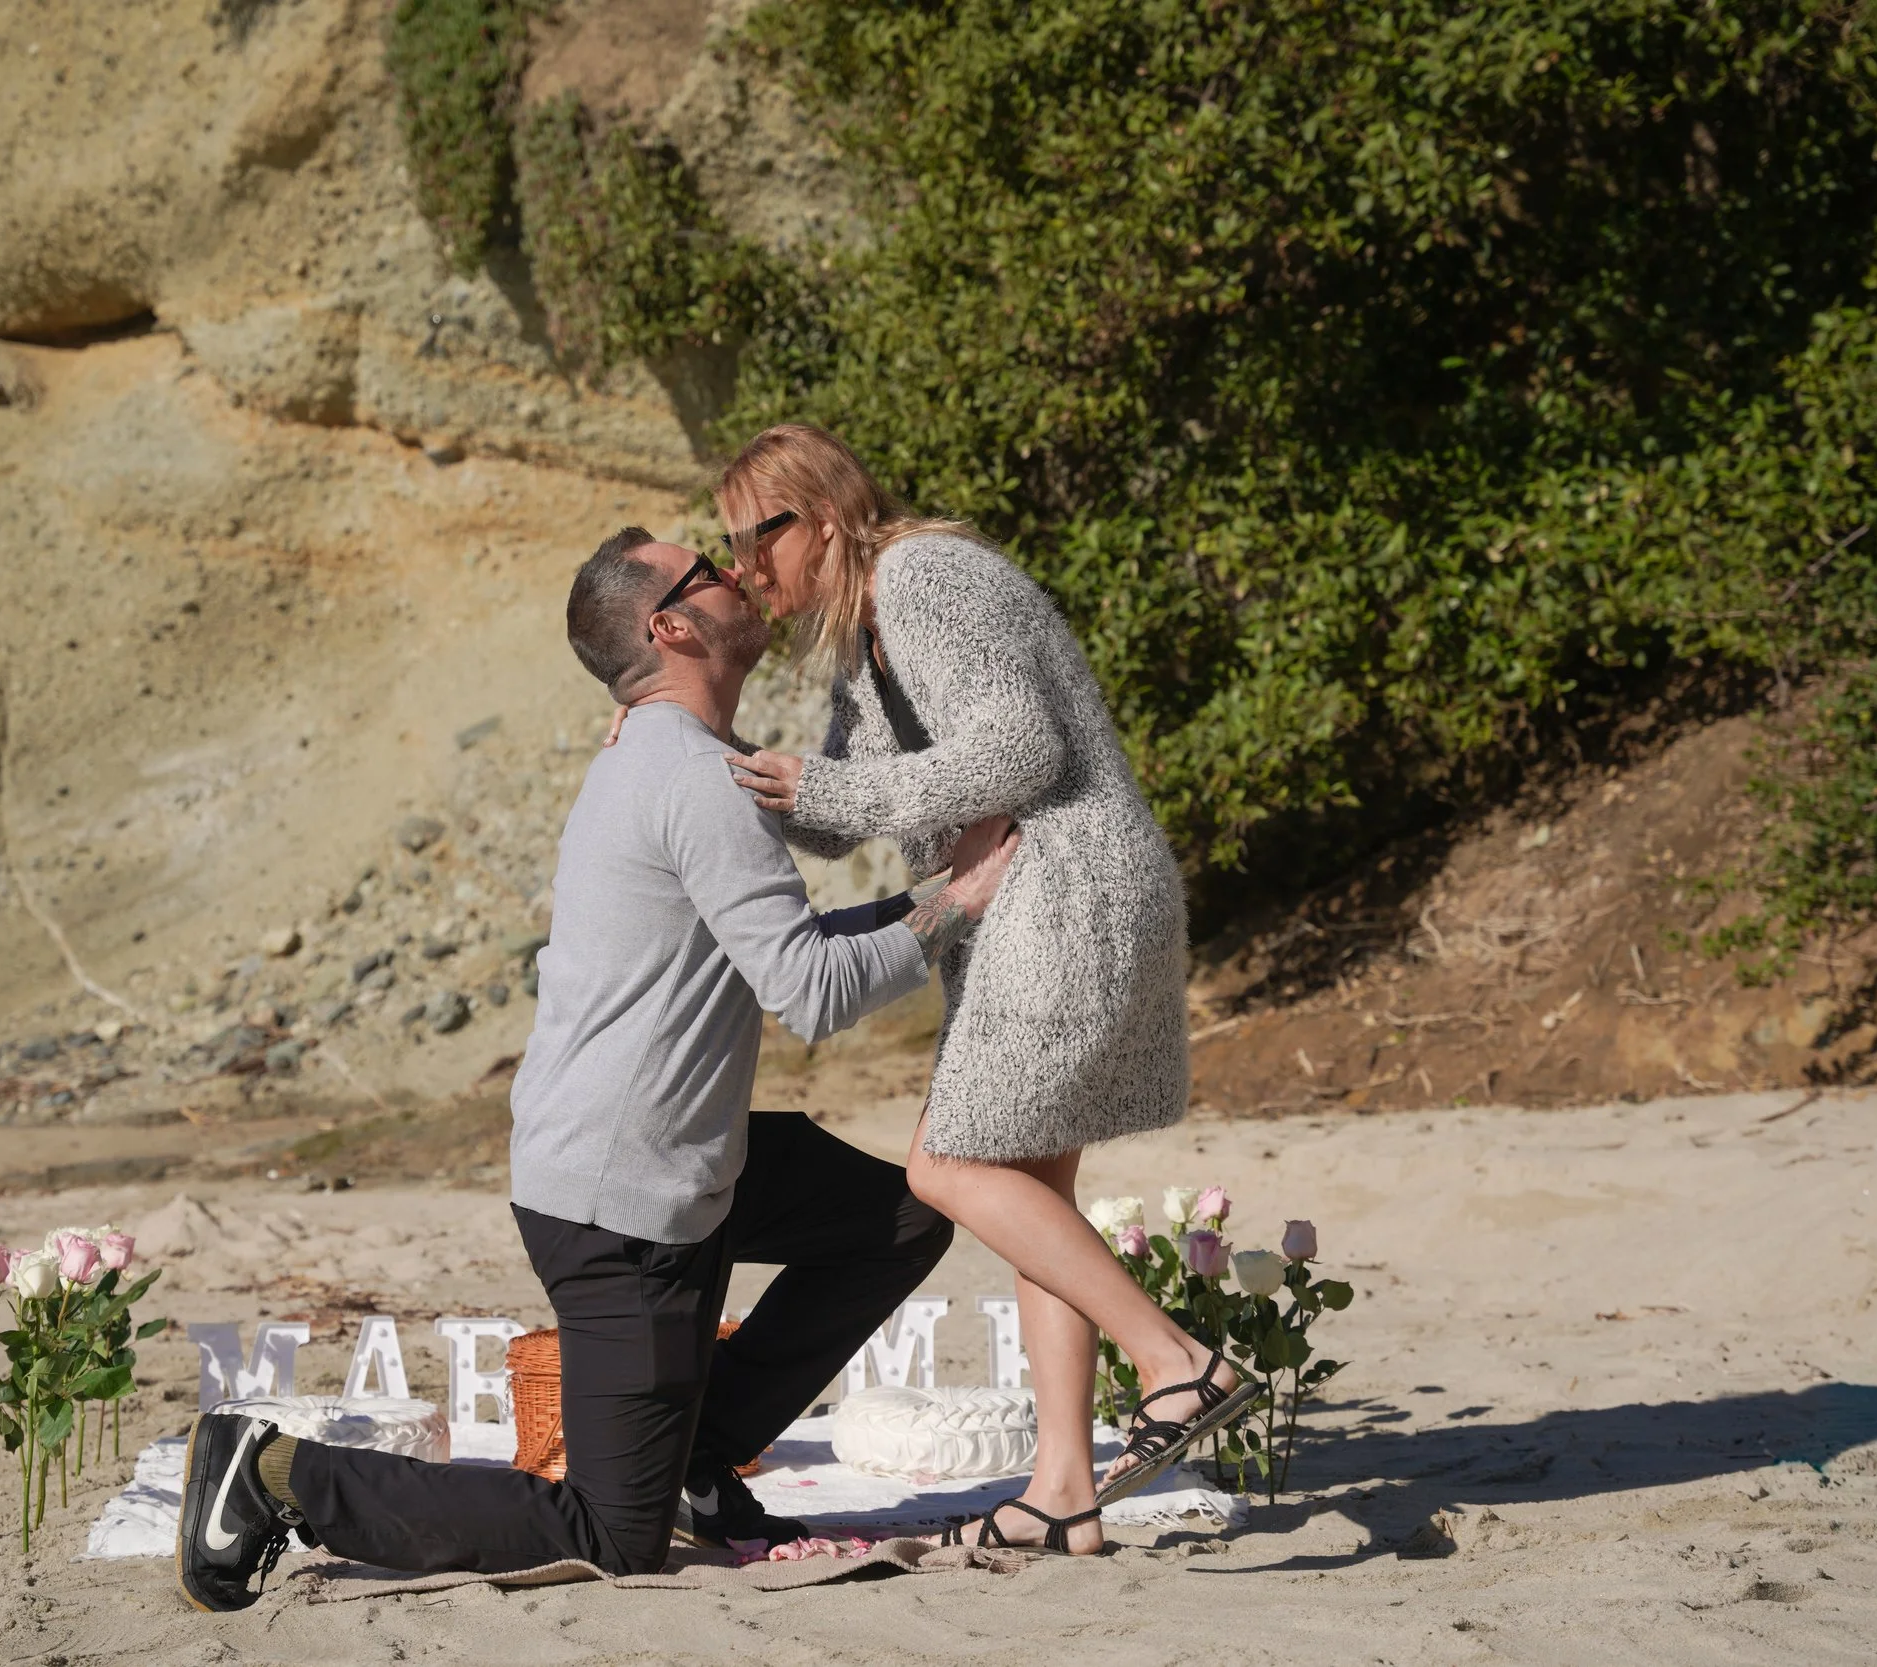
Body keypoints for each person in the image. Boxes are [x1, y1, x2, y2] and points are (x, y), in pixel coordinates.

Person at [176, 525, 1022, 1610]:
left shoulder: (670, 760)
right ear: (671, 624)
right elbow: (809, 994)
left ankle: (700, 1462)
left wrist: (937, 893)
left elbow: (792, 950)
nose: (738, 571)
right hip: (624, 1205)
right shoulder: (695, 777)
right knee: (614, 1533)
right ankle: (274, 1473)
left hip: (678, 1158)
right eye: (709, 569)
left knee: (894, 1218)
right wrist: (957, 903)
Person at [713, 423, 1256, 1557]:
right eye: (726, 546)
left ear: (823, 516)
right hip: (1048, 898)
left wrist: (823, 785)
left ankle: (1177, 1361)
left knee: (945, 1164)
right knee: (1027, 1191)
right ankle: (1063, 1486)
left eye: (759, 536)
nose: (748, 566)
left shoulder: (920, 576)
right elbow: (859, 806)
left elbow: (1018, 746)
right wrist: (705, 748)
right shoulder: (863, 643)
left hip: (1063, 892)